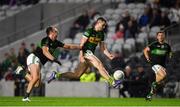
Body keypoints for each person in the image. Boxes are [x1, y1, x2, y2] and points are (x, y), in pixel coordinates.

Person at [47, 17, 122, 88]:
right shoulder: (89, 31)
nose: (104, 27)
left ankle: (56, 75)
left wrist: (109, 55)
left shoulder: (101, 34)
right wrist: (81, 55)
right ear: (98, 23)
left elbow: (103, 48)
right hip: (86, 53)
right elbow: (82, 45)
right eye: (103, 25)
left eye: (105, 26)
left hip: (90, 55)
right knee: (99, 65)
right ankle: (113, 82)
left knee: (76, 75)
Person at [14, 26, 81, 102]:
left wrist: (80, 47)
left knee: (37, 84)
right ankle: (26, 97)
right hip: (34, 58)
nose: (57, 32)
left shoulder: (56, 42)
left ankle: (21, 71)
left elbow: (68, 46)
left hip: (40, 63)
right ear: (51, 32)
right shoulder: (45, 40)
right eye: (56, 31)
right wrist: (54, 59)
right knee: (35, 78)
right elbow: (45, 52)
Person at [143, 31, 172, 101]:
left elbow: (170, 52)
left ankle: (149, 95)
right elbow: (145, 50)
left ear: (164, 36)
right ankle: (154, 84)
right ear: (157, 37)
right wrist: (147, 58)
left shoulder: (167, 46)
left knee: (159, 83)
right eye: (159, 35)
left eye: (162, 35)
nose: (161, 37)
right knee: (163, 75)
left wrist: (170, 56)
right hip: (155, 64)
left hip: (163, 66)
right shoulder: (154, 44)